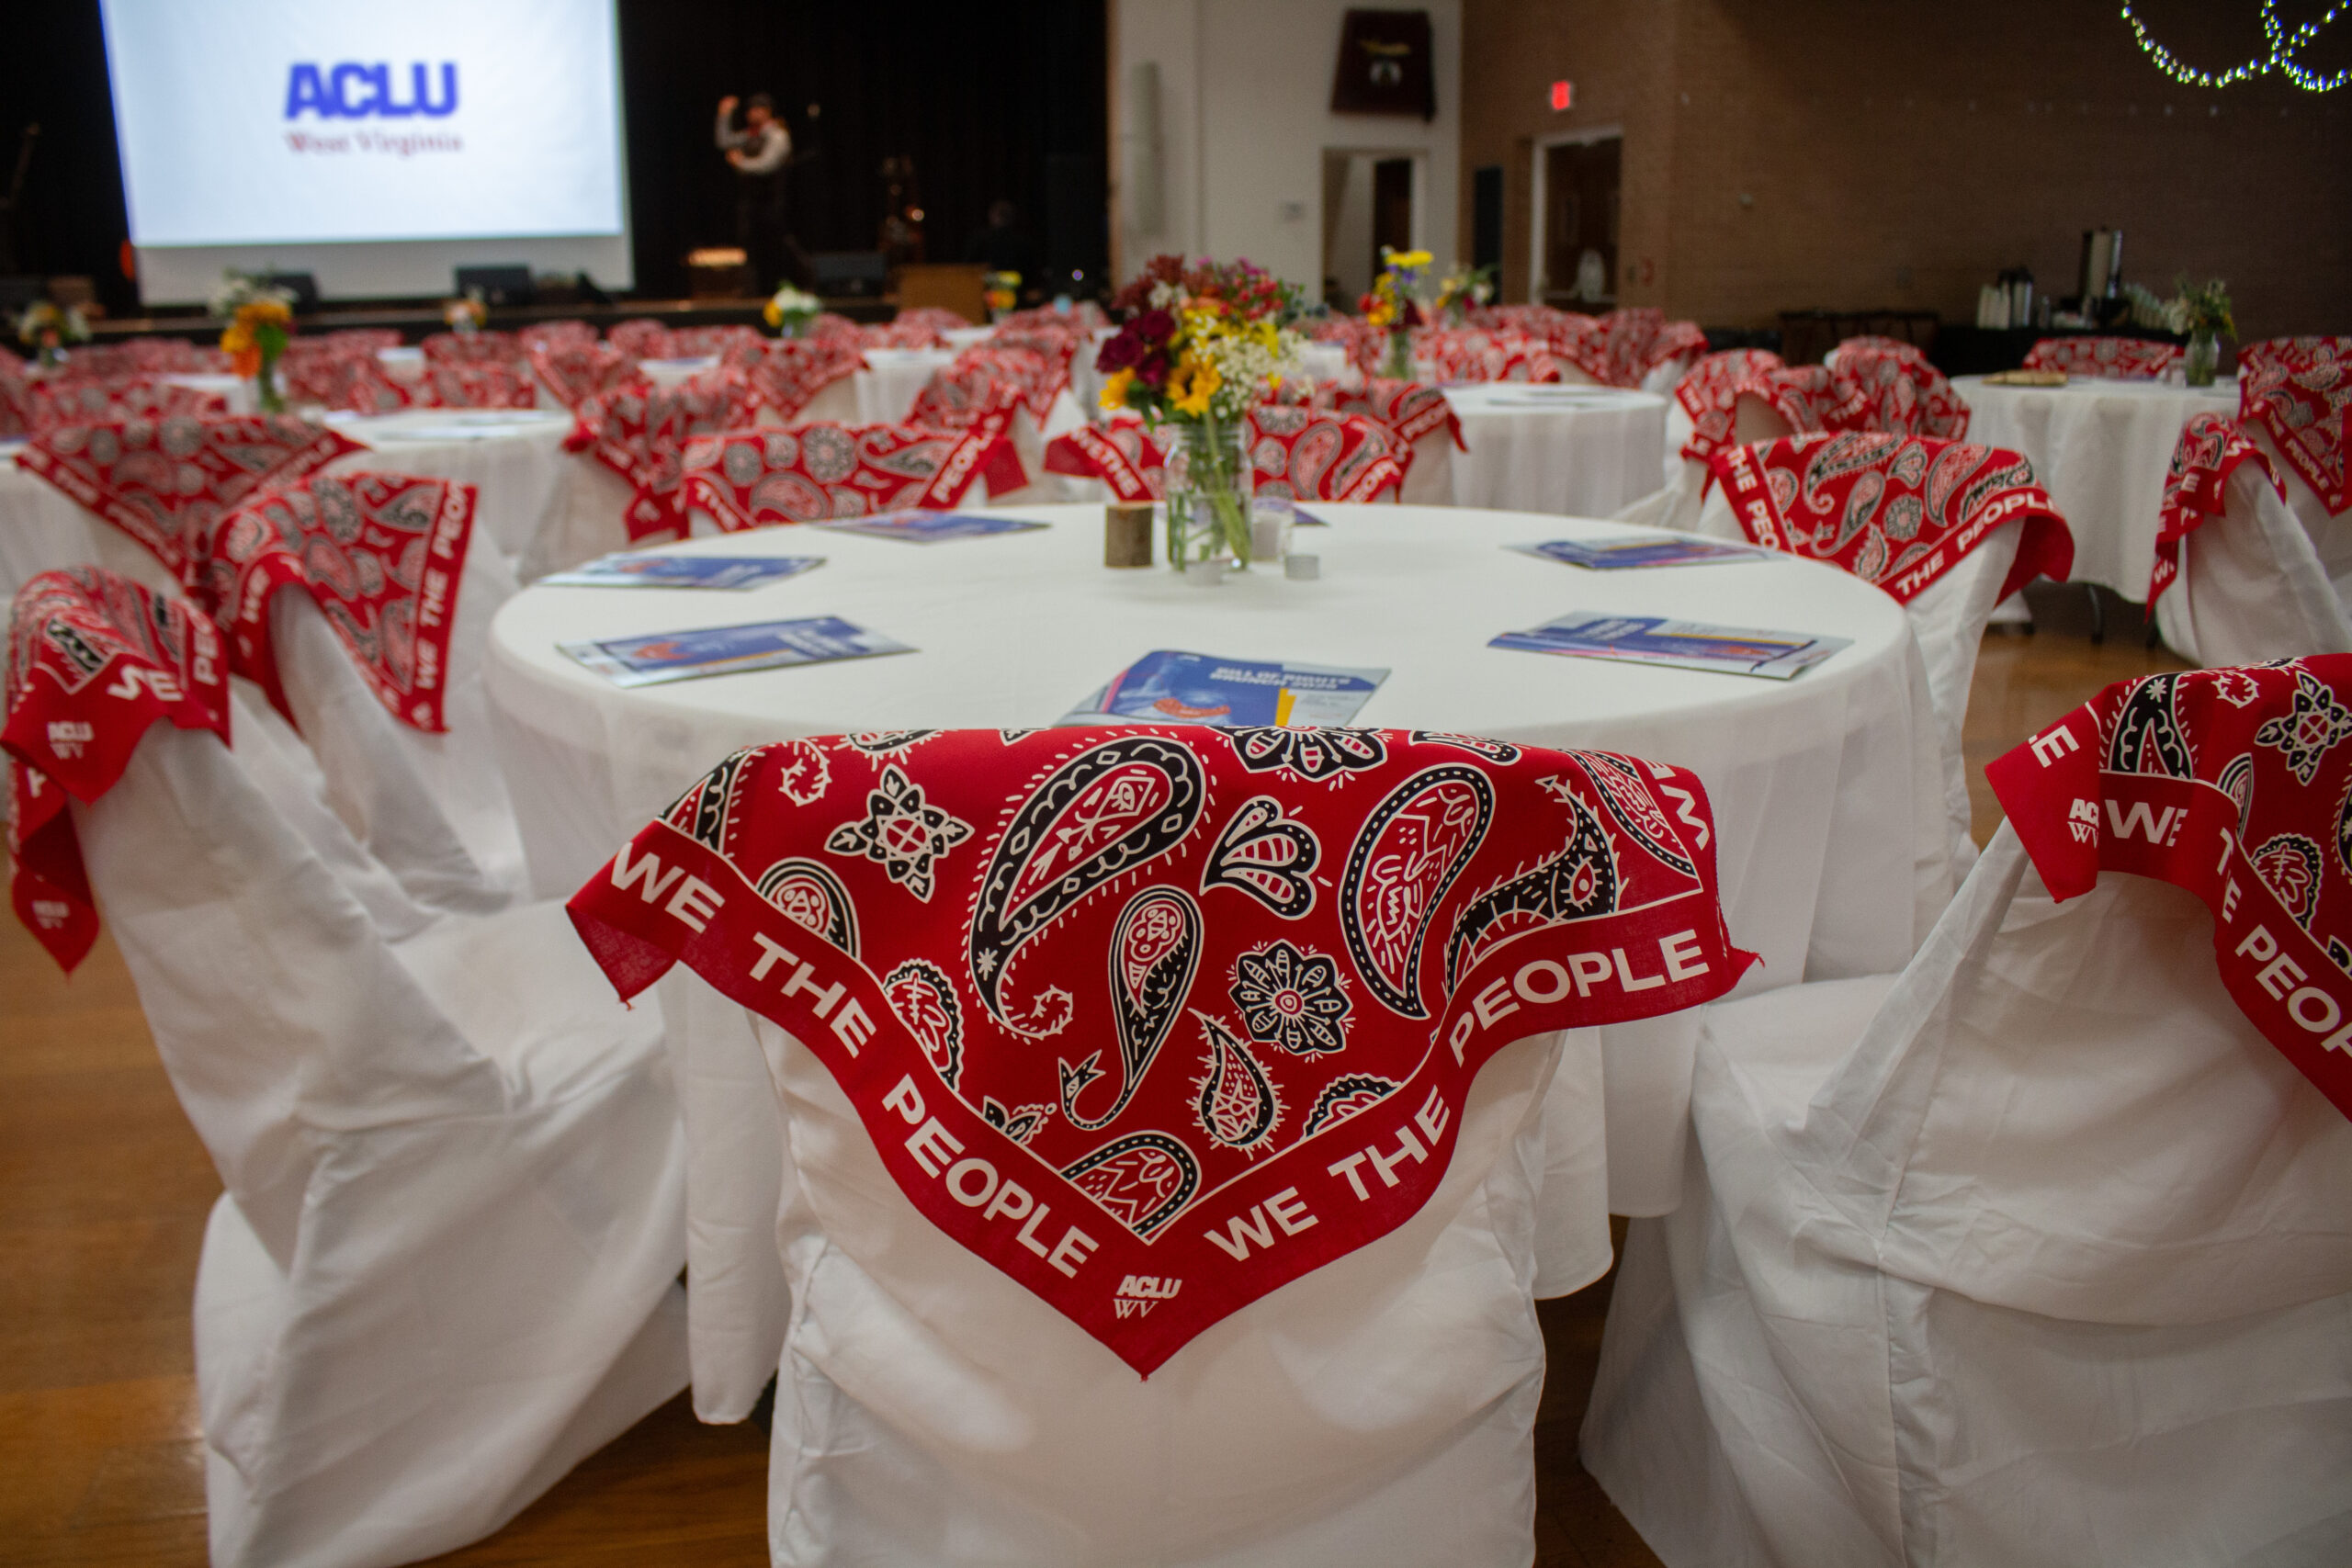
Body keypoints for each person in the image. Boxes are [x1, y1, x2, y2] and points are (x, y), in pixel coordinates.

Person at [717, 94, 792, 287]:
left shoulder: (777, 135)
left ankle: (777, 286)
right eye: (750, 110)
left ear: (767, 112)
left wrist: (740, 162)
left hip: (771, 202)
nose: (752, 113)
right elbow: (724, 142)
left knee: (774, 247)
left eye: (758, 109)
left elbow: (767, 165)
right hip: (750, 202)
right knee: (750, 248)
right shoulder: (750, 135)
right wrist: (724, 115)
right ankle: (753, 290)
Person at [961, 198, 1045, 301]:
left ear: (992, 216)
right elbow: (1035, 274)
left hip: (986, 299)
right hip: (1019, 298)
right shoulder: (1025, 241)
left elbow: (968, 270)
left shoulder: (980, 240)